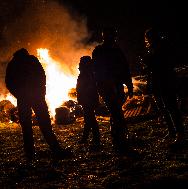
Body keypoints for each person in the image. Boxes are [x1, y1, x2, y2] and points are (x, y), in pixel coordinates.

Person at [5, 48, 71, 161]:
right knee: (45, 124)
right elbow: (42, 76)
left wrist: (19, 95)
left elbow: (9, 82)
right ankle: (55, 149)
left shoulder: (13, 63)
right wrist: (41, 92)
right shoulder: (31, 60)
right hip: (37, 97)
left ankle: (30, 155)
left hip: (25, 99)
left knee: (26, 127)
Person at [91, 27, 136, 156]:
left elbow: (125, 68)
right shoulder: (99, 51)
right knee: (116, 113)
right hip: (107, 88)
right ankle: (121, 142)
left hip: (117, 86)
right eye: (110, 36)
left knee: (116, 113)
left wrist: (129, 86)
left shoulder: (116, 50)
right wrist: (102, 86)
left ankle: (118, 139)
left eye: (113, 36)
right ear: (105, 36)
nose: (112, 38)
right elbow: (97, 71)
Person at [143, 27, 185, 148]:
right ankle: (172, 131)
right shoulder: (153, 48)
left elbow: (164, 64)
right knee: (163, 108)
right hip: (157, 82)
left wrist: (149, 62)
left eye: (149, 37)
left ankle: (180, 135)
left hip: (165, 81)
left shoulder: (163, 47)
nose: (147, 40)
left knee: (171, 107)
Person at [76, 56, 101, 149]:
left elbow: (85, 88)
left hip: (88, 100)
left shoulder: (86, 74)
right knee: (89, 119)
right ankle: (88, 138)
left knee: (90, 119)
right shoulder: (89, 73)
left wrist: (82, 98)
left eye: (81, 63)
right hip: (88, 100)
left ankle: (94, 139)